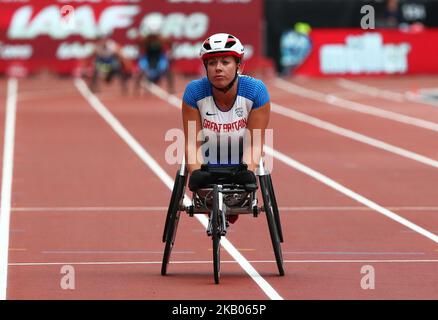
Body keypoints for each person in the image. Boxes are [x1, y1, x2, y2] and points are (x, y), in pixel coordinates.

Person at [181, 33, 271, 224]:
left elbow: (254, 143)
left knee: (239, 193)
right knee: (205, 194)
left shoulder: (256, 91)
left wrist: (247, 170)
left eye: (225, 62)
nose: (218, 68)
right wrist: (196, 173)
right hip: (207, 157)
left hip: (241, 158)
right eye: (212, 63)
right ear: (205, 67)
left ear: (238, 65)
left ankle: (230, 204)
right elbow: (192, 142)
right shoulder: (194, 92)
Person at [135, 16, 174, 94]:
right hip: (148, 57)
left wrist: (170, 52)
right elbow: (138, 42)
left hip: (159, 57)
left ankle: (171, 88)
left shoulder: (161, 38)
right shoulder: (146, 39)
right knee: (140, 71)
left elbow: (170, 42)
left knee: (167, 69)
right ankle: (136, 90)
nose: (153, 36)